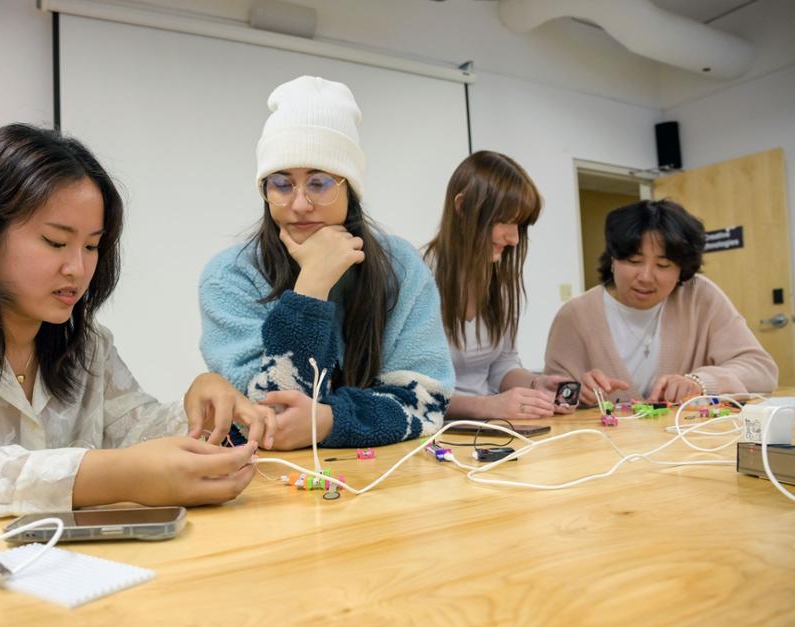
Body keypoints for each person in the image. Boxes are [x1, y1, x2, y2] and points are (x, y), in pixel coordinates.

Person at [0, 123, 276, 523]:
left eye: (91, 246)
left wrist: (196, 407)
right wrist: (106, 476)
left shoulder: (86, 344)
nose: (77, 269)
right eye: (55, 242)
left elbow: (135, 429)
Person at [199, 75, 453, 450]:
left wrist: (332, 420)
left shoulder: (400, 267)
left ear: (350, 188)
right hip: (269, 487)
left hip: (386, 478)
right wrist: (310, 290)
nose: (299, 204)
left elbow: (427, 404)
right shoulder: (230, 277)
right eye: (281, 184)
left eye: (319, 183)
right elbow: (270, 417)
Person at [544, 199, 778, 404]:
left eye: (663, 265)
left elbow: (762, 371)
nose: (646, 277)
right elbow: (551, 395)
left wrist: (701, 382)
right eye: (634, 261)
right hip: (605, 450)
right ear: (613, 259)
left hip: (689, 446)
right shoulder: (574, 316)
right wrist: (576, 393)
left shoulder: (700, 297)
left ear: (682, 270)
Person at [423, 151, 573, 421]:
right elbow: (407, 390)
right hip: (429, 434)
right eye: (504, 220)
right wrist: (485, 406)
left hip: (491, 427)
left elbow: (502, 366)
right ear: (462, 207)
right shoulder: (418, 278)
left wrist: (535, 385)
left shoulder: (500, 284)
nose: (514, 238)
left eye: (519, 224)